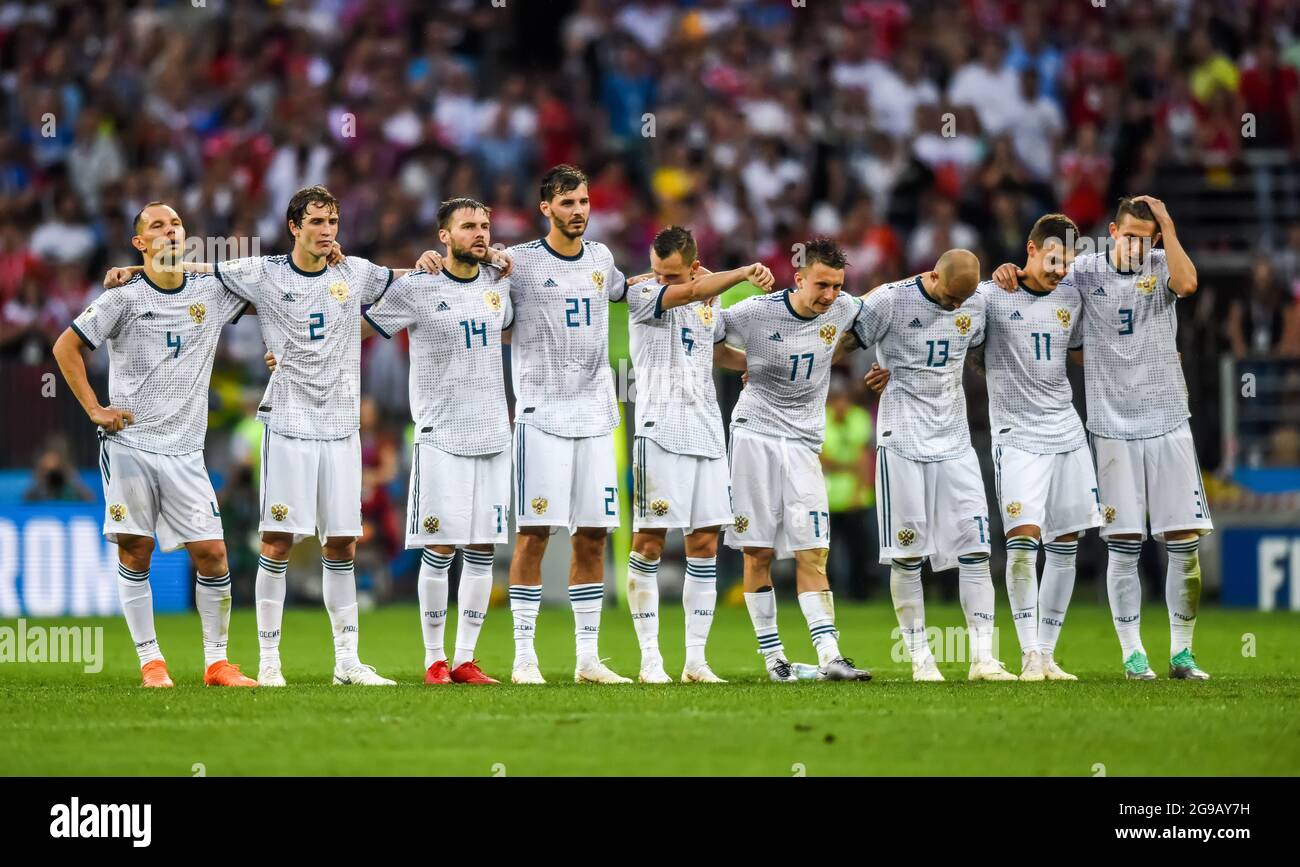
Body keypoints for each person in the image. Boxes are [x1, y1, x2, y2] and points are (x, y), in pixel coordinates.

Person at [994, 196, 1212, 680]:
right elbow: (1041, 286)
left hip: (1169, 420)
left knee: (1183, 541)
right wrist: (1008, 271)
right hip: (1112, 427)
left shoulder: (1162, 264)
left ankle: (1182, 653)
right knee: (1124, 544)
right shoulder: (1083, 273)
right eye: (1129, 234)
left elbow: (1190, 283)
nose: (1137, 245)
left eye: (1146, 237)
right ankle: (1133, 654)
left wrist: (1169, 228)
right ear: (1112, 232)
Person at [54, 202, 257, 688]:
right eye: (157, 226)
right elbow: (66, 346)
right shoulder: (122, 298)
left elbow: (277, 291)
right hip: (131, 443)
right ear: (139, 242)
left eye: (176, 224)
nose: (170, 231)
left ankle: (217, 664)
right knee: (136, 549)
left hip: (187, 450)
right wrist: (94, 409)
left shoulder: (213, 289)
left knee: (212, 553)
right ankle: (151, 662)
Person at [362, 197, 512, 685]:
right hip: (440, 435)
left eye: (485, 226)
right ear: (443, 236)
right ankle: (434, 661)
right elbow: (364, 326)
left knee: (482, 547)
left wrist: (502, 257)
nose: (480, 233)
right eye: (468, 226)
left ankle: (466, 658)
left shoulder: (498, 281)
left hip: (492, 432)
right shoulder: (418, 287)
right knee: (440, 546)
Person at [855, 248, 1017, 682]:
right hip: (902, 441)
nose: (955, 307)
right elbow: (840, 339)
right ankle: (921, 660)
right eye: (949, 299)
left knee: (977, 548)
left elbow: (984, 350)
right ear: (931, 275)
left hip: (955, 443)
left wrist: (1008, 273)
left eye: (961, 302)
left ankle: (983, 658)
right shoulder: (888, 301)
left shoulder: (978, 302)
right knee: (907, 556)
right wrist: (867, 377)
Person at [624, 225, 772, 683]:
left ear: (692, 263)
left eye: (672, 274)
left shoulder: (709, 299)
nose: (662, 280)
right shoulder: (642, 294)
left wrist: (757, 364)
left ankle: (695, 661)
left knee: (704, 545)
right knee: (650, 541)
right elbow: (689, 292)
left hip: (706, 429)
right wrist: (745, 271)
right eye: (657, 272)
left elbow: (712, 351)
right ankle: (650, 658)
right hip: (659, 429)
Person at [720, 237, 872, 683]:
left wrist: (830, 359)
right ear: (799, 277)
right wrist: (749, 362)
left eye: (837, 286)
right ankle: (775, 661)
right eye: (821, 285)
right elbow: (707, 341)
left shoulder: (844, 309)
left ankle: (830, 656)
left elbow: (878, 317)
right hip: (755, 435)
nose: (830, 295)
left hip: (804, 443)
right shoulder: (756, 311)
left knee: (813, 550)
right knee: (758, 552)